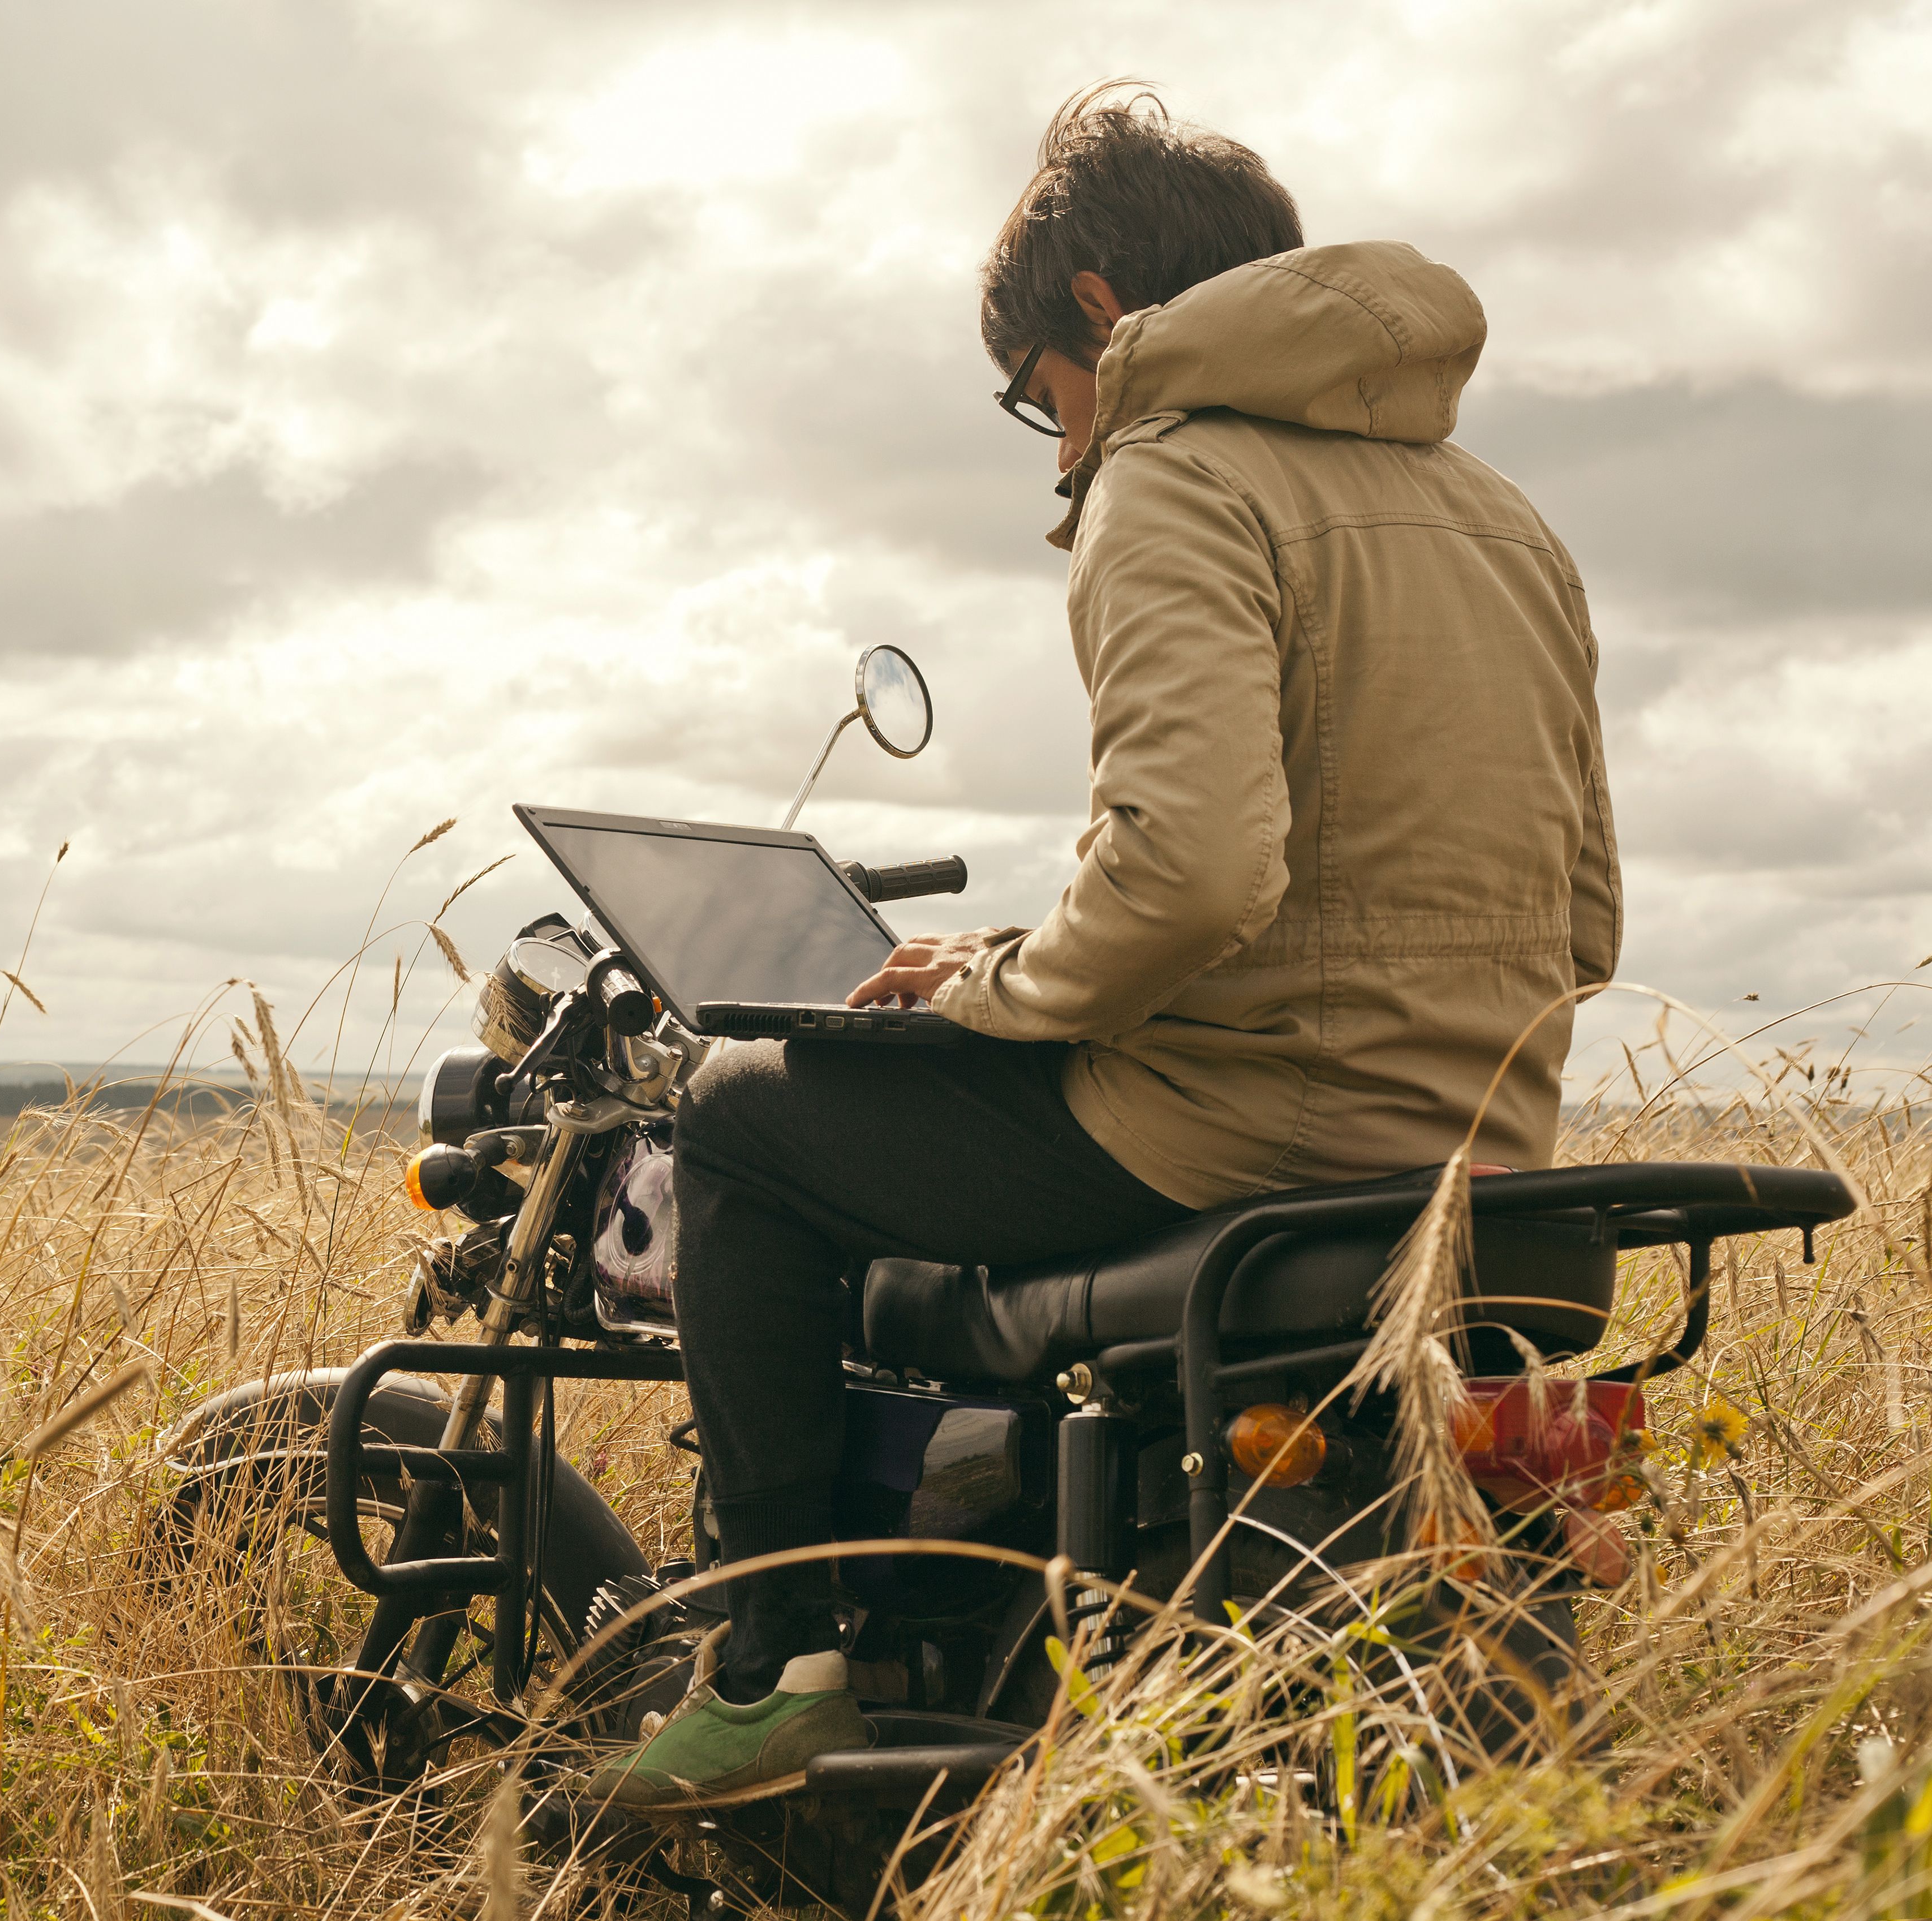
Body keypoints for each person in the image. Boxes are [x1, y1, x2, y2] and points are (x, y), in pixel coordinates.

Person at [587, 82, 1620, 1809]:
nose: (1054, 441)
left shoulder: (1173, 478)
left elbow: (1204, 871)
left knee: (740, 1114)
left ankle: (777, 1668)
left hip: (1245, 1125)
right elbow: (1583, 909)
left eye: (1033, 399)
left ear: (1093, 315)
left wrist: (994, 996)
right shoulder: (1504, 516)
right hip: (1480, 1143)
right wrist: (1028, 947)